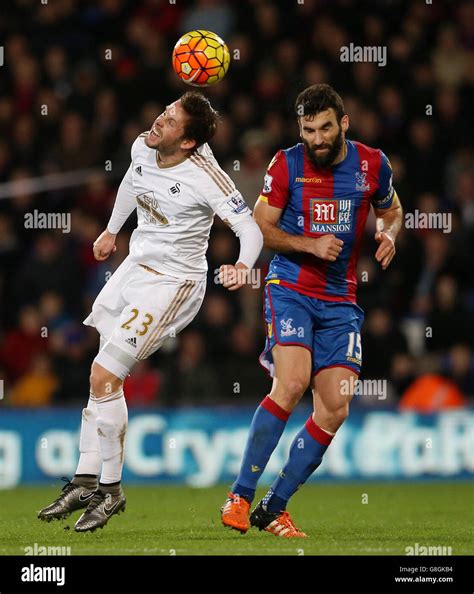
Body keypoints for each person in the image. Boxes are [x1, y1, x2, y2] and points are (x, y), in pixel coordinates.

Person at [38, 91, 263, 532]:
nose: (160, 119)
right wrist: (110, 230)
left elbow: (248, 226)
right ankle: (86, 479)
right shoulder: (144, 144)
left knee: (106, 375)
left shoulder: (205, 174)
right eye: (165, 110)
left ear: (188, 143)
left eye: (171, 120)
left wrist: (242, 264)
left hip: (173, 283)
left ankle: (112, 490)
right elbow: (130, 182)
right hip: (134, 270)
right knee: (99, 375)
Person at [221, 83, 403, 537]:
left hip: (340, 300)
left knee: (336, 406)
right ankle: (240, 496)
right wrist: (309, 244)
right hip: (291, 288)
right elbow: (261, 227)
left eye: (325, 128)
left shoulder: (371, 164)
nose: (317, 139)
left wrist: (389, 233)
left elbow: (393, 209)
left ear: (343, 123)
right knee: (293, 381)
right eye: (308, 130)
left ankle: (275, 506)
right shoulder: (287, 164)